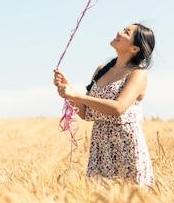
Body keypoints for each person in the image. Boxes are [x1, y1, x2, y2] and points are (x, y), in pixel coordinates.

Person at [53, 23, 155, 186]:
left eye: (126, 32)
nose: (119, 32)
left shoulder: (138, 74)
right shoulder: (102, 70)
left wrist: (76, 95)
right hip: (100, 147)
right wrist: (68, 90)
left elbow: (118, 108)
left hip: (125, 146)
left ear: (135, 48)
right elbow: (86, 113)